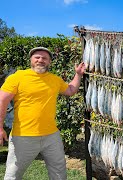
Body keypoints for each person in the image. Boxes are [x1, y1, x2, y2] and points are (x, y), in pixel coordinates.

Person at [0, 47, 86, 180]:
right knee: (13, 175)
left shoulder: (54, 79)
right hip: (23, 136)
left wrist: (78, 74)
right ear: (31, 60)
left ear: (49, 62)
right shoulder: (17, 77)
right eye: (37, 57)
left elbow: (70, 90)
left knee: (59, 172)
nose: (40, 60)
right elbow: (2, 101)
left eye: (44, 58)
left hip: (51, 136)